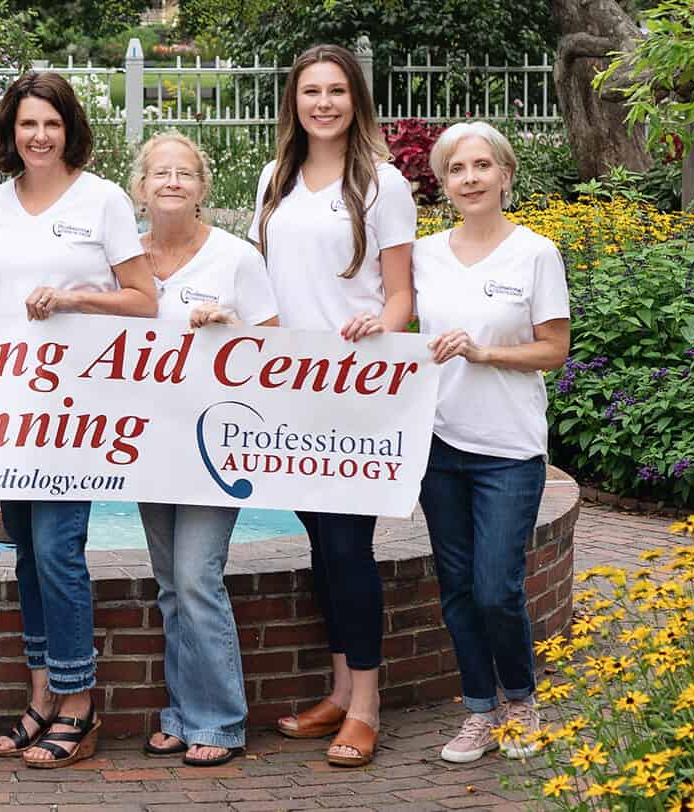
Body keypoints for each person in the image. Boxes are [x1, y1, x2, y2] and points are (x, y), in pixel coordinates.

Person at [0, 71, 157, 770]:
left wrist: (78, 300)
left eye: (50, 123)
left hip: (76, 409)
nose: (39, 136)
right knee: (24, 549)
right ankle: (42, 691)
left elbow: (144, 300)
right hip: (9, 408)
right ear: (10, 133)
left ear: (69, 127)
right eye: (26, 125)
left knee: (58, 549)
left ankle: (80, 701)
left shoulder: (102, 200)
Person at [247, 43, 416, 769]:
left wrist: (383, 322)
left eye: (337, 91)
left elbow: (403, 295)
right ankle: (341, 692)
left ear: (356, 101)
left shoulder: (383, 184)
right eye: (311, 91)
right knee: (322, 547)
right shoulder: (273, 178)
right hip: (289, 393)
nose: (323, 103)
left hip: (353, 393)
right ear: (294, 101)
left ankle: (369, 709)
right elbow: (266, 284)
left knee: (350, 548)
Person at [413, 122, 570, 764]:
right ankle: (479, 712)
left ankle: (521, 703)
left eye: (483, 165)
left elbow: (555, 350)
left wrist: (484, 352)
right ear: (443, 182)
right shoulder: (424, 254)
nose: (470, 178)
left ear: (506, 175)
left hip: (508, 449)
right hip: (438, 446)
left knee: (495, 588)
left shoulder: (535, 252)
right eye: (457, 168)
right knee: (454, 587)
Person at [125, 131, 277, 769]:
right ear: (139, 187)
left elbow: (275, 346)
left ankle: (219, 720)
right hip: (143, 445)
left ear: (203, 187)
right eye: (160, 172)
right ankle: (181, 714)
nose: (171, 182)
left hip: (214, 444)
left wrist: (232, 329)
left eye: (185, 173)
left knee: (196, 577)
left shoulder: (236, 257)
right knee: (169, 584)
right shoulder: (124, 260)